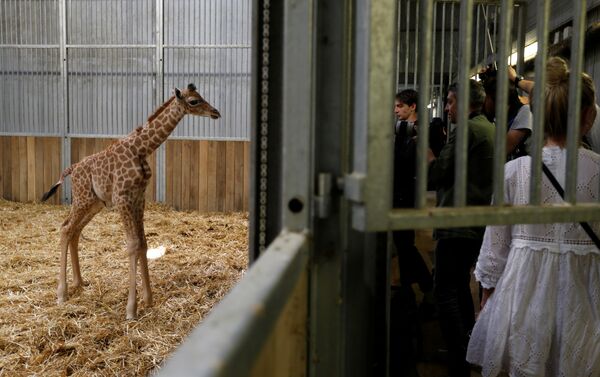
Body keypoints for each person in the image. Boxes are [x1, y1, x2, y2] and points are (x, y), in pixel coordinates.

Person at [467, 57, 600, 376]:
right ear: (589, 117)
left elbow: (495, 251)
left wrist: (487, 300)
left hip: (523, 299)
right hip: (587, 300)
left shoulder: (513, 172)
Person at [427, 79, 495, 377]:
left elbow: (438, 171)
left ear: (465, 102)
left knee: (444, 290)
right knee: (459, 287)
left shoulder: (467, 131)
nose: (447, 107)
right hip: (476, 221)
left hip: (458, 222)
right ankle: (470, 346)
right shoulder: (488, 128)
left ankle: (458, 358)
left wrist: (428, 150)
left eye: (451, 101)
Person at [480, 67, 533, 160]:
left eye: (485, 96)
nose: (483, 101)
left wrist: (515, 78)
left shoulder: (525, 112)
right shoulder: (502, 118)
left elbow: (500, 151)